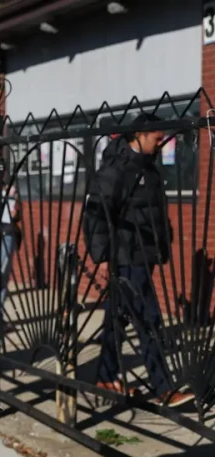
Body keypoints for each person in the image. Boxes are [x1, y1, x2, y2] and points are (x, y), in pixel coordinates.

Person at [84, 114, 194, 407]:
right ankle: (163, 388)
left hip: (143, 255)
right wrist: (103, 258)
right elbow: (96, 215)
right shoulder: (117, 169)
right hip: (126, 257)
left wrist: (162, 244)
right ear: (140, 135)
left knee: (117, 321)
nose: (160, 144)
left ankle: (106, 377)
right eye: (156, 139)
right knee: (150, 321)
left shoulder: (147, 167)